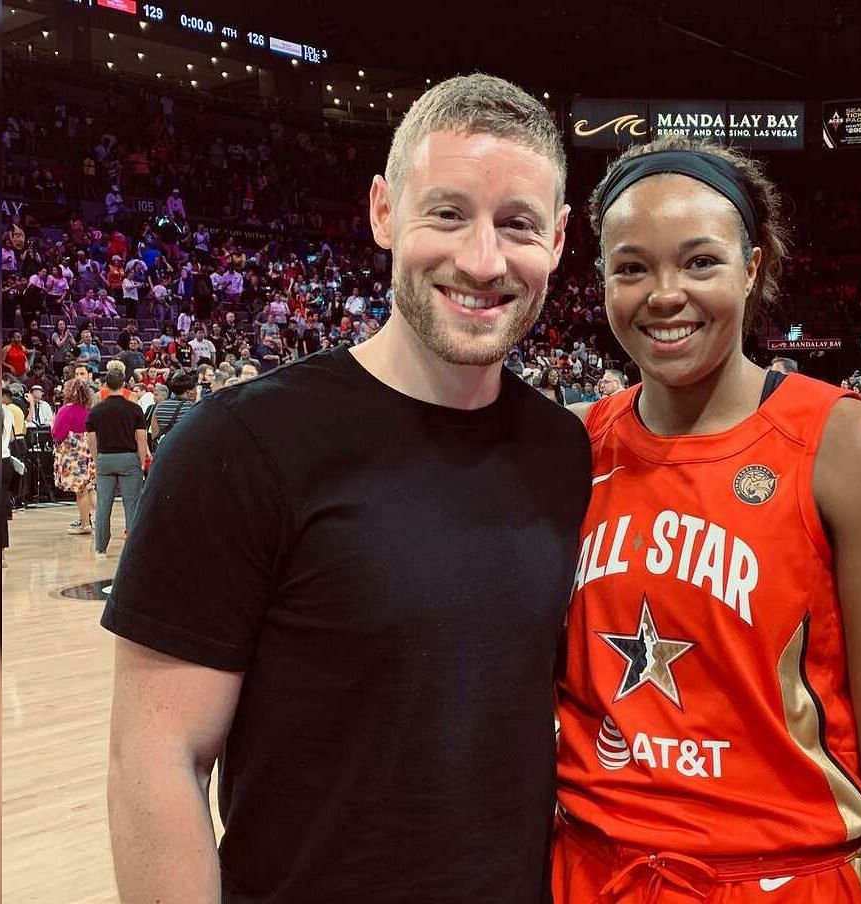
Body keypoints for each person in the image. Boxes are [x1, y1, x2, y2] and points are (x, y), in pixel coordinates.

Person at [101, 74, 590, 903]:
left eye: (517, 225)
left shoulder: (563, 450)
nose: (482, 259)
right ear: (382, 212)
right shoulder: (238, 443)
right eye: (447, 213)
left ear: (560, 238)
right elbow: (156, 760)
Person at [554, 135, 861, 903]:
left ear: (753, 267)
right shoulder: (565, 448)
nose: (664, 294)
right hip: (586, 873)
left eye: (700, 261)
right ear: (600, 281)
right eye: (631, 267)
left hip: (776, 879)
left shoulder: (852, 448)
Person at [84, 369, 148, 559]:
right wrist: (142, 460)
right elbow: (141, 437)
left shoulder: (96, 410)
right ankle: (133, 548)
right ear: (124, 384)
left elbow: (91, 439)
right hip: (129, 458)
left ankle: (100, 549)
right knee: (132, 504)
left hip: (105, 459)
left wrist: (97, 460)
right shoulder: (134, 409)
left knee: (103, 505)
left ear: (105, 385)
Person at [52, 378, 96, 535]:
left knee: (80, 490)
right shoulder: (88, 409)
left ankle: (85, 524)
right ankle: (98, 518)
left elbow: (57, 433)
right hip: (88, 451)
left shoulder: (66, 410)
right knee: (89, 487)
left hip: (73, 453)